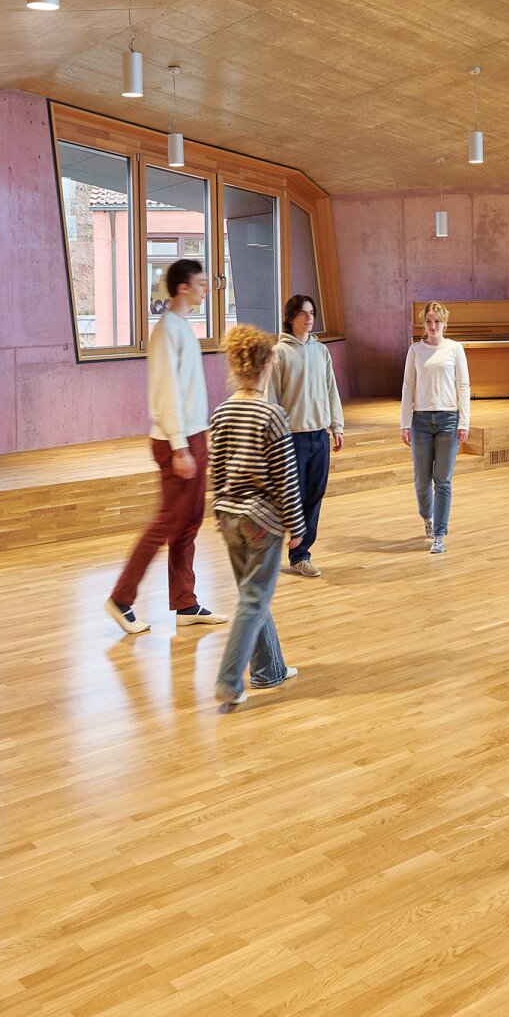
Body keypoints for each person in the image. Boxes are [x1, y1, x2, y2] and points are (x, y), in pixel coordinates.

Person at [104, 259, 225, 635]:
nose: (207, 289)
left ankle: (185, 603)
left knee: (187, 523)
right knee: (167, 522)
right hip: (178, 440)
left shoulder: (182, 328)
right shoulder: (166, 332)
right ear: (183, 288)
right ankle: (121, 597)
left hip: (193, 435)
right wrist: (179, 447)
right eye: (201, 284)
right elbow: (167, 391)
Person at [205, 323, 304, 708]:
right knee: (253, 600)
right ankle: (229, 679)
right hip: (262, 520)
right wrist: (297, 526)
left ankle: (269, 670)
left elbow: (216, 469)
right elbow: (285, 477)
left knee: (252, 596)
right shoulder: (271, 413)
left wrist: (218, 514)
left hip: (229, 516)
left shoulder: (222, 411)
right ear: (267, 367)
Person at [265, 294, 343, 577]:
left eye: (311, 312)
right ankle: (270, 550)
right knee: (289, 496)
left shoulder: (321, 351)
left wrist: (337, 426)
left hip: (319, 434)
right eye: (303, 313)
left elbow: (331, 389)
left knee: (314, 494)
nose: (309, 318)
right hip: (292, 437)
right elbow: (271, 396)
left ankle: (300, 555)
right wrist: (275, 435)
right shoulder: (279, 353)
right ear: (290, 318)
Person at [399, 300, 472, 553]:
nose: (433, 326)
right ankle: (427, 519)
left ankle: (440, 534)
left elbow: (463, 386)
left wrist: (464, 421)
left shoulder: (455, 349)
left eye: (437, 321)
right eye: (429, 321)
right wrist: (404, 423)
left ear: (444, 323)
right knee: (422, 481)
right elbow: (408, 387)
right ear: (424, 323)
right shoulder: (415, 351)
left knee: (443, 481)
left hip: (448, 420)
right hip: (420, 421)